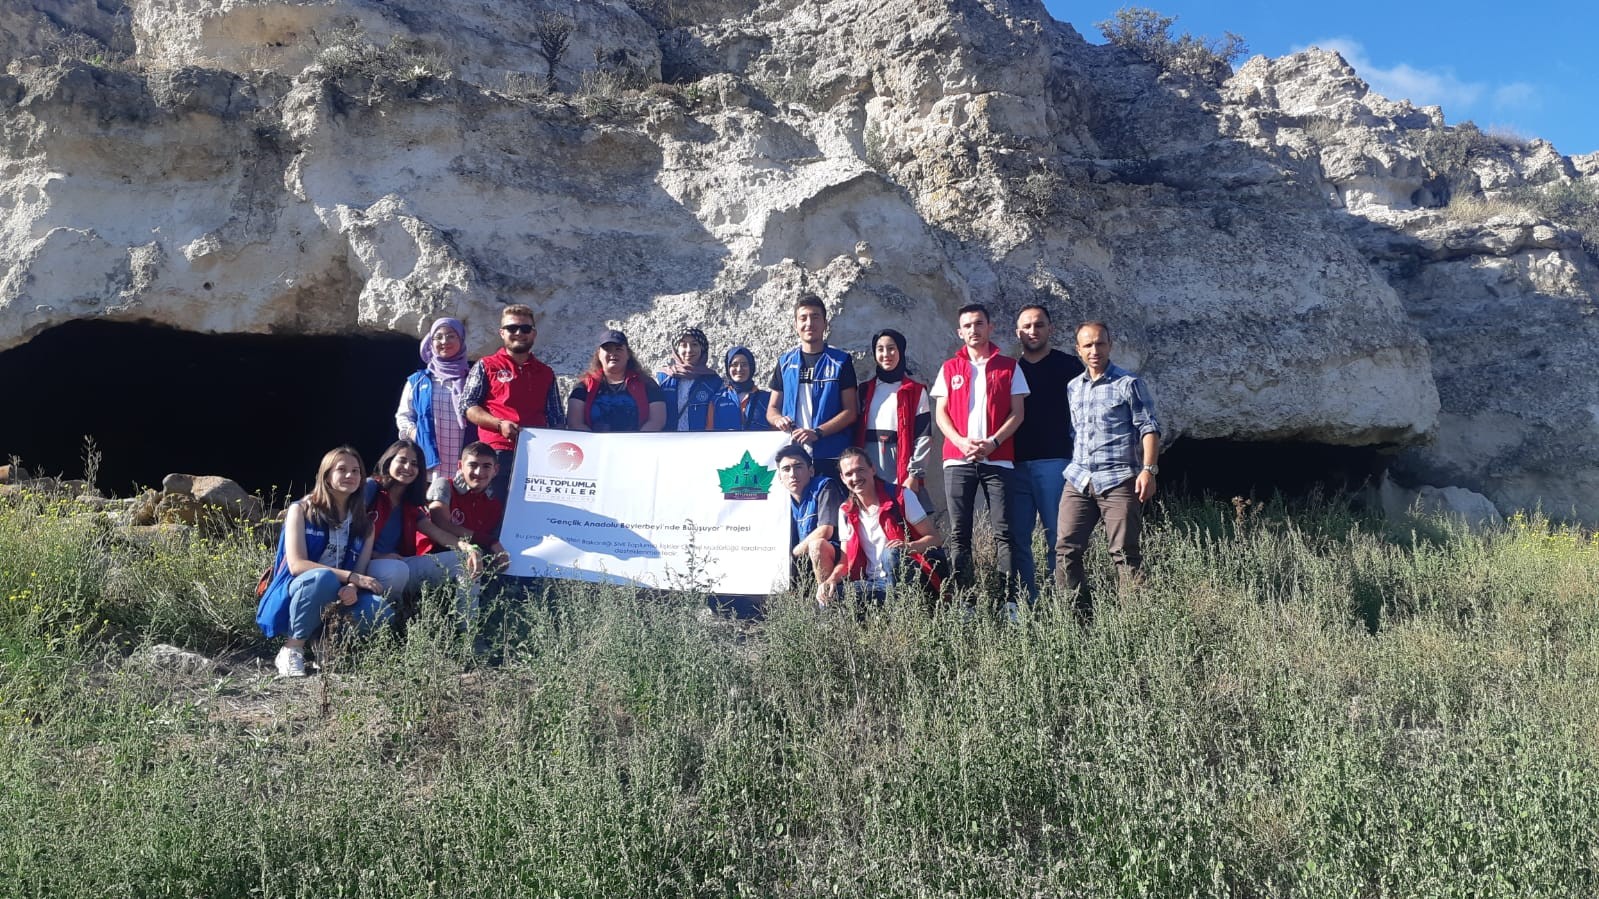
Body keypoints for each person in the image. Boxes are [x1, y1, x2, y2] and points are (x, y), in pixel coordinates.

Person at [256, 446, 393, 678]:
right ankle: (292, 647)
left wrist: (352, 586)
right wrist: (351, 577)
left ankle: (325, 642)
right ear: (326, 475)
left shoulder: (365, 524)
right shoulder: (301, 510)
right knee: (323, 578)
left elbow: (359, 569)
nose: (350, 475)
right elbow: (297, 565)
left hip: (339, 593)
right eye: (341, 469)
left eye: (356, 471)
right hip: (301, 589)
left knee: (381, 609)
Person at [1056, 321, 1161, 620]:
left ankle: (1133, 624)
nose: (1094, 350)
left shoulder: (1128, 383)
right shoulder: (1073, 387)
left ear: (1110, 345)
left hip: (1118, 478)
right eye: (1087, 345)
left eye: (1100, 343)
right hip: (1079, 479)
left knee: (1125, 553)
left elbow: (1149, 427)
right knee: (1065, 549)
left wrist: (1148, 470)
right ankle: (1076, 621)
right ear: (1078, 349)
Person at [931, 302, 1029, 599]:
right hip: (957, 460)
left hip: (998, 458)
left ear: (990, 327)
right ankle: (966, 601)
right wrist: (961, 442)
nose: (974, 330)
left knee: (1005, 531)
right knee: (959, 533)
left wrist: (994, 442)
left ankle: (1010, 601)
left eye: (979, 324)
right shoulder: (949, 368)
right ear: (959, 332)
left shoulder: (1009, 367)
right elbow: (941, 414)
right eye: (967, 326)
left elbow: (1018, 413)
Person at [1009, 305, 1085, 600]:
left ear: (1050, 329)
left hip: (1056, 462)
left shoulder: (1069, 367)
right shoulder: (1011, 369)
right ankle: (1025, 603)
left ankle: (1064, 602)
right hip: (1015, 465)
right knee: (1018, 539)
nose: (1033, 331)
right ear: (1018, 332)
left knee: (1058, 536)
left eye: (1039, 325)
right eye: (1027, 326)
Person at [361, 440, 477, 619]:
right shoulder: (371, 488)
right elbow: (348, 531)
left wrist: (469, 548)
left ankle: (468, 628)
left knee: (463, 560)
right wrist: (377, 555)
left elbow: (438, 533)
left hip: (401, 565)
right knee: (395, 570)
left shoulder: (410, 504)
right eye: (402, 460)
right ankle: (394, 619)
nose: (408, 467)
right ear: (388, 462)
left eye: (414, 464)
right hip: (367, 564)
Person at [460, 304, 566, 501]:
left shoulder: (546, 372)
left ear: (533, 334)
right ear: (502, 333)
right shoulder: (486, 365)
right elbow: (467, 405)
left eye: (525, 328)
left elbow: (557, 417)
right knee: (493, 510)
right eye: (512, 328)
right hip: (495, 453)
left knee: (531, 511)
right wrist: (499, 424)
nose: (519, 333)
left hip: (537, 454)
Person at [819, 447, 942, 607]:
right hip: (875, 584)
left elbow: (935, 538)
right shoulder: (845, 511)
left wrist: (907, 547)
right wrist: (831, 580)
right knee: (829, 596)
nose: (855, 477)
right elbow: (845, 559)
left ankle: (910, 608)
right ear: (842, 478)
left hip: (912, 578)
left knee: (890, 554)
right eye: (849, 474)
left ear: (872, 469)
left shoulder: (901, 496)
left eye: (860, 470)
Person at [767, 295, 858, 478]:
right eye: (803, 318)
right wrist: (778, 420)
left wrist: (818, 433)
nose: (809, 323)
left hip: (831, 455)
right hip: (794, 457)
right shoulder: (785, 363)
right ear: (796, 325)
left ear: (825, 324)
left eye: (815, 317)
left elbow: (851, 412)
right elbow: (772, 409)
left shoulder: (841, 361)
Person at [416, 442, 511, 591]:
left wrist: (497, 559)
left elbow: (483, 544)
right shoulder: (444, 485)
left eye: (486, 466)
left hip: (463, 565)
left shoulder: (493, 505)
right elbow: (441, 523)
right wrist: (489, 541)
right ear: (460, 466)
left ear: (496, 470)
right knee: (468, 561)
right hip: (428, 559)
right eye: (473, 465)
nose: (479, 472)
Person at [854, 328, 932, 509]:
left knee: (903, 513)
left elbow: (924, 436)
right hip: (869, 462)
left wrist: (915, 474)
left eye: (891, 348)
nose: (886, 354)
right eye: (880, 349)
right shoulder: (864, 390)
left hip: (901, 464)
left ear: (900, 351)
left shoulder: (915, 391)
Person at [395, 317, 471, 498]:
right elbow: (404, 416)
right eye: (438, 337)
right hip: (428, 465)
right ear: (431, 342)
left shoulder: (473, 379)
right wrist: (415, 434)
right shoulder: (418, 380)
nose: (445, 341)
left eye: (451, 336)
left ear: (461, 340)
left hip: (463, 468)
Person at [774, 444, 842, 599]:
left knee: (816, 545)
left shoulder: (824, 486)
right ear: (779, 477)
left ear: (811, 471)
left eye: (798, 467)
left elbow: (826, 530)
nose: (792, 474)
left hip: (837, 556)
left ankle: (826, 605)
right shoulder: (780, 500)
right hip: (804, 561)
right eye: (786, 469)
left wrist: (792, 555)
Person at [567, 329, 668, 432]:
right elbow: (574, 423)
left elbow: (657, 421)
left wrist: (637, 440)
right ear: (599, 355)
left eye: (618, 349)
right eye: (607, 349)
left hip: (638, 441)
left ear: (628, 354)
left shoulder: (647, 384)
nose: (613, 353)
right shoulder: (584, 386)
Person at [655, 327, 724, 431]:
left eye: (694, 344)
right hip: (668, 440)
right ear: (676, 349)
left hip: (701, 440)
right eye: (683, 345)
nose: (689, 350)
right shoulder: (663, 379)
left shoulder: (714, 382)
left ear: (702, 348)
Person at [709, 345, 772, 430]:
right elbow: (709, 431)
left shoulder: (767, 399)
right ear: (728, 368)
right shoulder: (717, 400)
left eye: (744, 365)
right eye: (734, 365)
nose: (739, 369)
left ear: (751, 367)